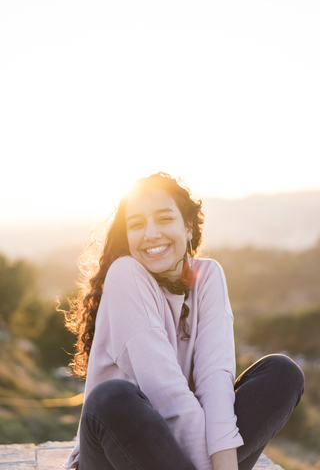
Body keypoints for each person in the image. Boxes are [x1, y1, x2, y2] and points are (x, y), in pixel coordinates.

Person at [63, 172, 304, 470]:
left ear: (188, 227)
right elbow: (166, 392)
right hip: (116, 454)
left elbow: (215, 379)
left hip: (178, 455)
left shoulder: (208, 276)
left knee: (282, 373)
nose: (150, 233)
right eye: (137, 224)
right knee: (112, 396)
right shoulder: (125, 274)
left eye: (164, 218)